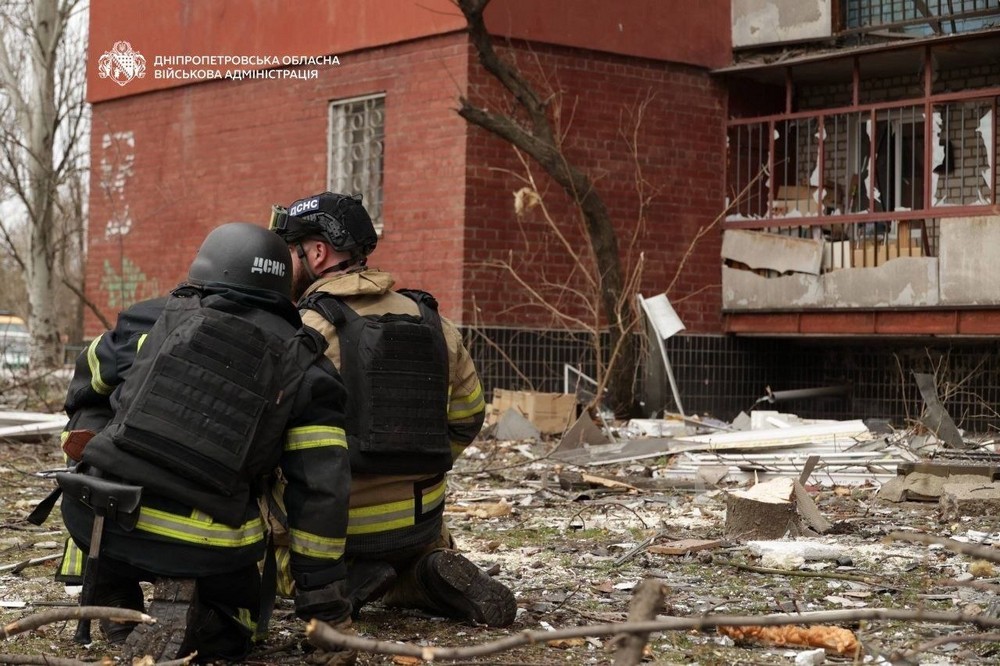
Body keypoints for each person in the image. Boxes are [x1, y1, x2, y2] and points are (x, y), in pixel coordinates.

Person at [56, 222, 354, 662]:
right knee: (240, 633)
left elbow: (86, 384)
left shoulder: (146, 320)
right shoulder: (306, 364)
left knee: (91, 416)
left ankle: (111, 591)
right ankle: (211, 624)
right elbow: (320, 495)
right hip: (212, 547)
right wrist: (324, 609)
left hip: (102, 521)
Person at [269, 192, 516, 628]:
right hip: (417, 526)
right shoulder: (433, 321)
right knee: (411, 557)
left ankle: (343, 582)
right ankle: (422, 573)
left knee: (257, 556)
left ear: (318, 252)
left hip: (331, 532)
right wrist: (415, 463)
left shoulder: (302, 332)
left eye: (290, 251)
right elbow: (469, 416)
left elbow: (262, 429)